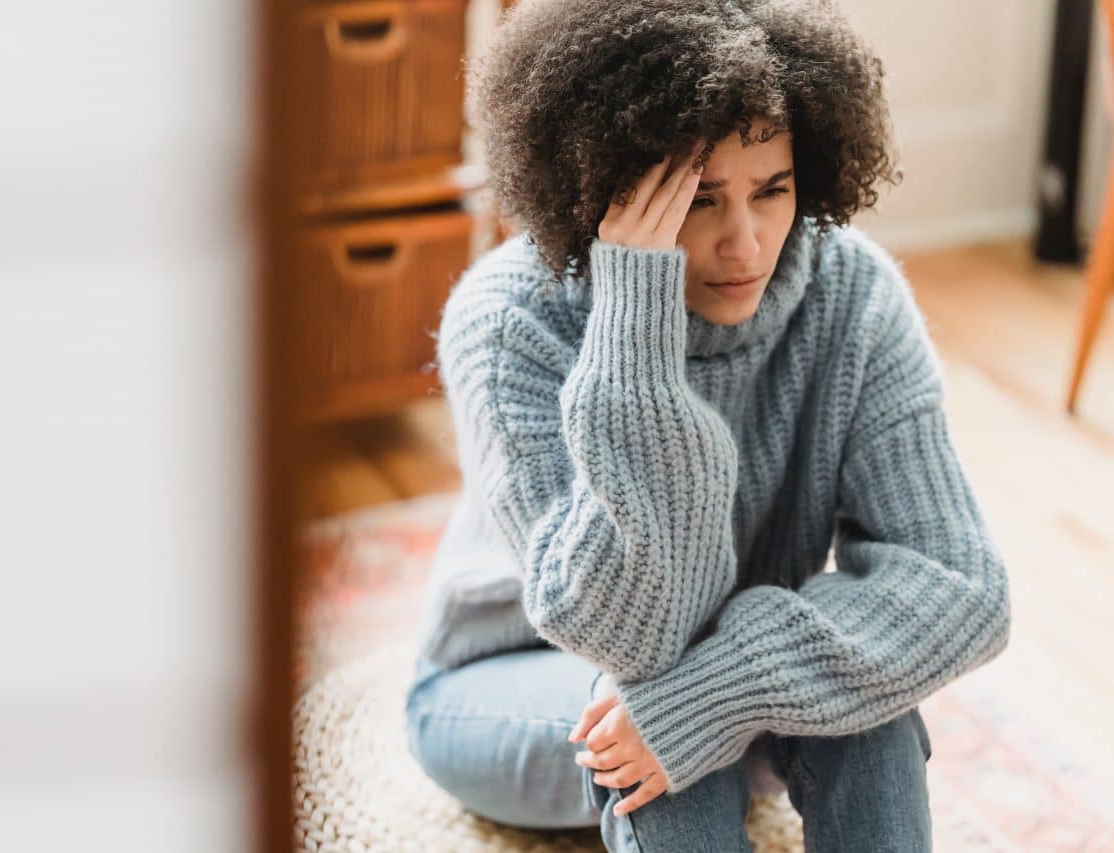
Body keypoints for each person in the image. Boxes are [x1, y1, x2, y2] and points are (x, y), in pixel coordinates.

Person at [405, 0, 1012, 850]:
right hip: (510, 675)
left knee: (857, 710)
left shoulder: (853, 296)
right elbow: (627, 632)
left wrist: (722, 690)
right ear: (605, 190)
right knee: (645, 724)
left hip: (712, 666)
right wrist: (634, 331)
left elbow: (962, 586)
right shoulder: (511, 322)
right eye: (697, 201)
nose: (746, 243)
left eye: (773, 191)